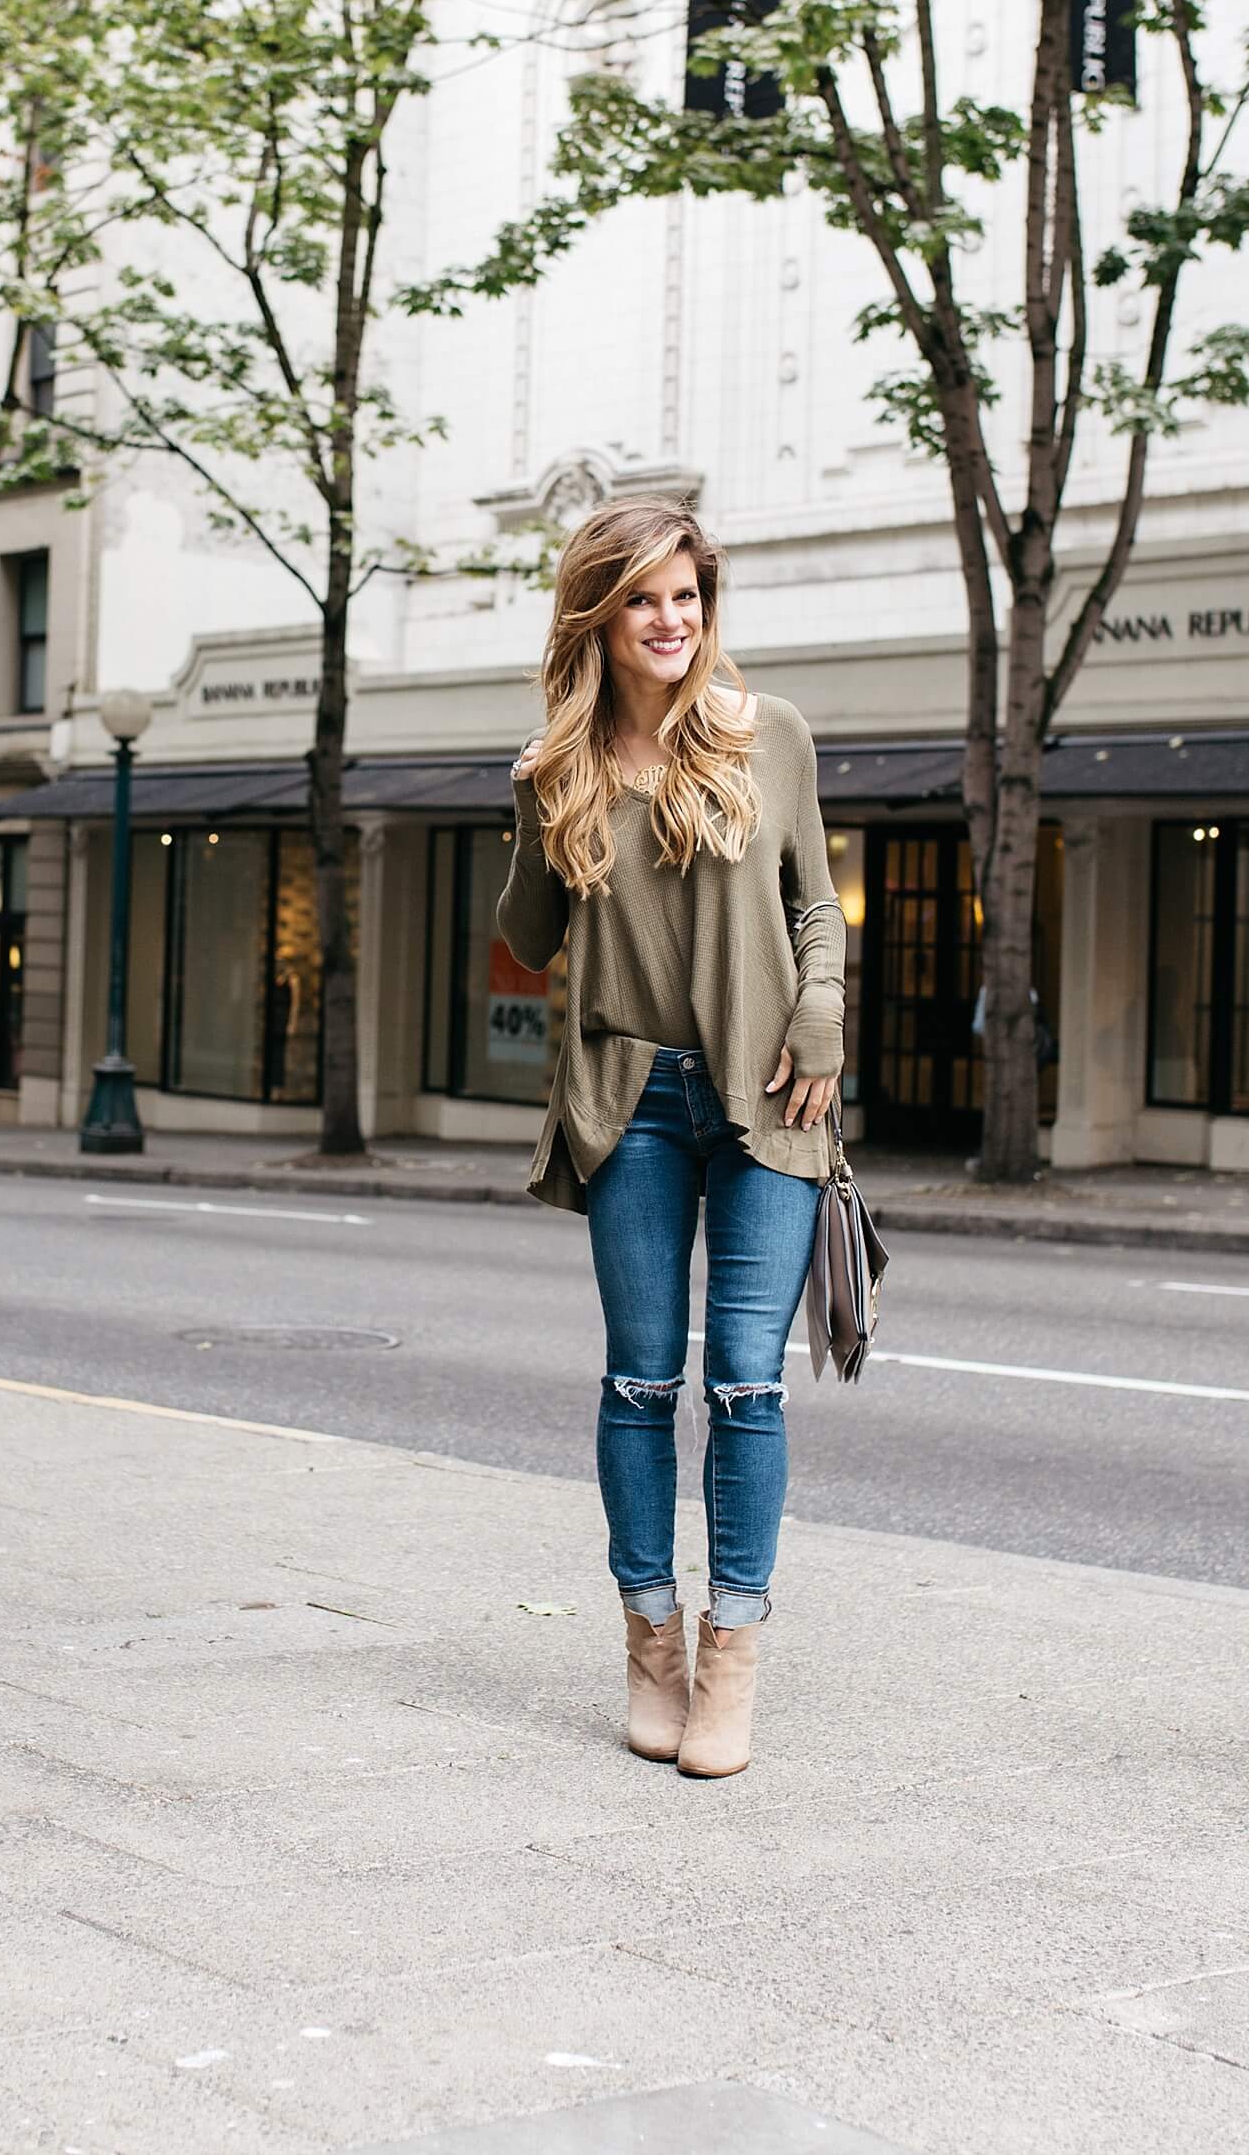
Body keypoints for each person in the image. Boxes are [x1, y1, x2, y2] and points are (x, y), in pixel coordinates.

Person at [496, 498, 845, 1780]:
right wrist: (538, 799)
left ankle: (731, 1656)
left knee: (744, 1380)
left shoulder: (771, 738)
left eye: (687, 596)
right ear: (598, 614)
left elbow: (818, 905)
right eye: (642, 598)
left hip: (769, 1094)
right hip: (627, 1100)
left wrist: (821, 1015)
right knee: (641, 1379)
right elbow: (530, 940)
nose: (671, 620)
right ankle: (650, 1644)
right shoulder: (560, 765)